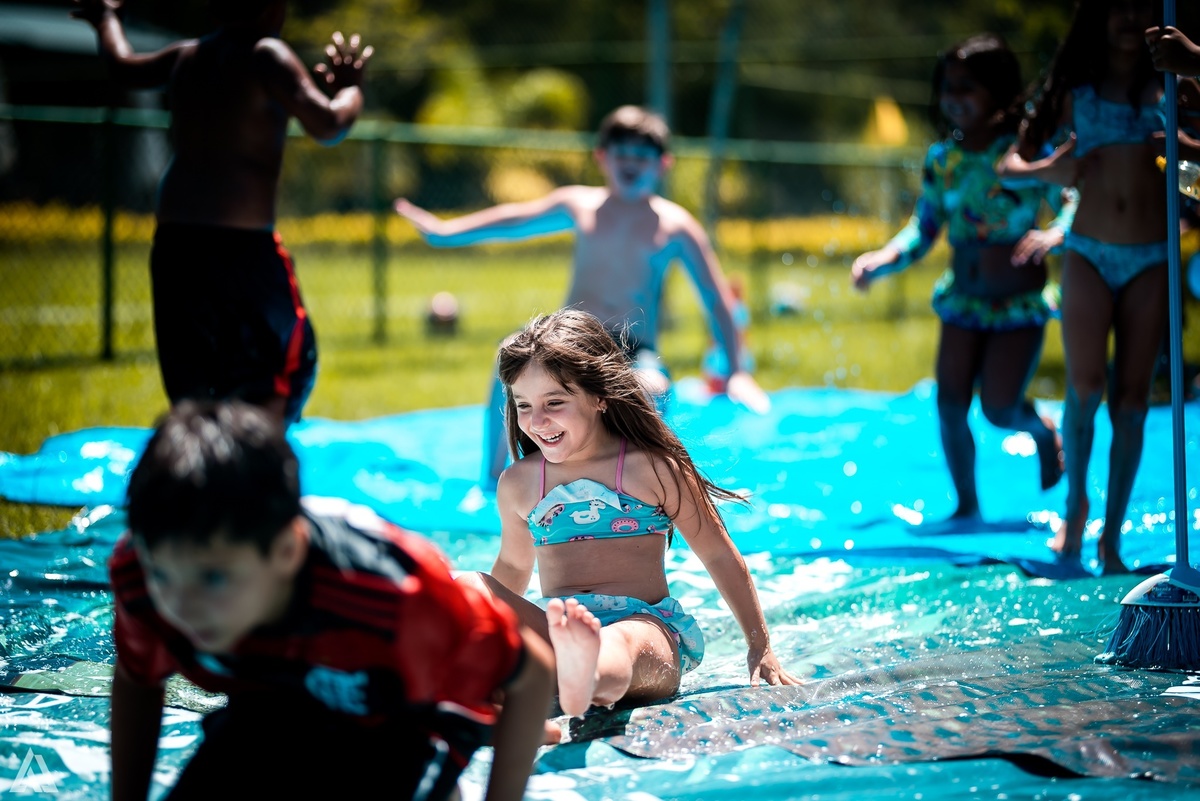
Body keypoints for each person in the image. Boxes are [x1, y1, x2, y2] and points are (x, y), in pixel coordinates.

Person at [109, 400, 555, 801]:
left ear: (286, 552)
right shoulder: (145, 574)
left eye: (213, 578)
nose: (182, 605)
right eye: (162, 575)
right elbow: (137, 677)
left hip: (398, 730)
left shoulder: (391, 594)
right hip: (268, 708)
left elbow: (531, 670)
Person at [394, 105, 771, 489]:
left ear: (663, 164)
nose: (631, 164)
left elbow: (716, 298)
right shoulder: (581, 204)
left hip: (632, 348)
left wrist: (738, 371)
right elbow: (515, 221)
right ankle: (494, 482)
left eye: (642, 157)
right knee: (507, 360)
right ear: (602, 158)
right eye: (622, 155)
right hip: (569, 339)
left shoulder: (675, 225)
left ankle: (640, 488)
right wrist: (447, 231)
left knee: (653, 388)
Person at [455, 309, 800, 720]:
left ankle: (579, 674)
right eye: (523, 405)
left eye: (555, 402)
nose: (537, 421)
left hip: (644, 629)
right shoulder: (520, 483)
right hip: (559, 627)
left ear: (600, 397)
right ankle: (548, 673)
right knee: (468, 585)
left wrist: (759, 645)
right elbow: (512, 567)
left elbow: (719, 555)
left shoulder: (651, 469)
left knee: (615, 646)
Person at [72, 0, 373, 427]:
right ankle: (256, 459)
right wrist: (351, 90)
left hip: (177, 242)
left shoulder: (186, 56)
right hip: (242, 246)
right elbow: (326, 124)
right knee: (288, 361)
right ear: (273, 9)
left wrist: (106, 20)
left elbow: (123, 65)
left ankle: (194, 465)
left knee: (193, 371)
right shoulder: (267, 54)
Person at [996, 0, 1189, 573]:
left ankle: (1112, 539)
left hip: (1152, 257)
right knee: (1083, 389)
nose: (1129, 19)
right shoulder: (1073, 90)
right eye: (1117, 7)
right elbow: (1010, 164)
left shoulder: (1175, 86)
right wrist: (1046, 172)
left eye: (1141, 6)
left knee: (1131, 405)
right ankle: (1076, 508)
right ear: (1098, 20)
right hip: (1087, 254)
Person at [849, 33, 1075, 522]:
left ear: (998, 91)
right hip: (963, 302)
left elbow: (1070, 203)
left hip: (1017, 304)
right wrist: (881, 259)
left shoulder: (1026, 152)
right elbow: (923, 227)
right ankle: (967, 506)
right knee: (949, 405)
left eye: (967, 87)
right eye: (947, 87)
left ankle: (1041, 429)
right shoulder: (942, 159)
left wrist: (1057, 233)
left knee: (998, 410)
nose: (954, 97)